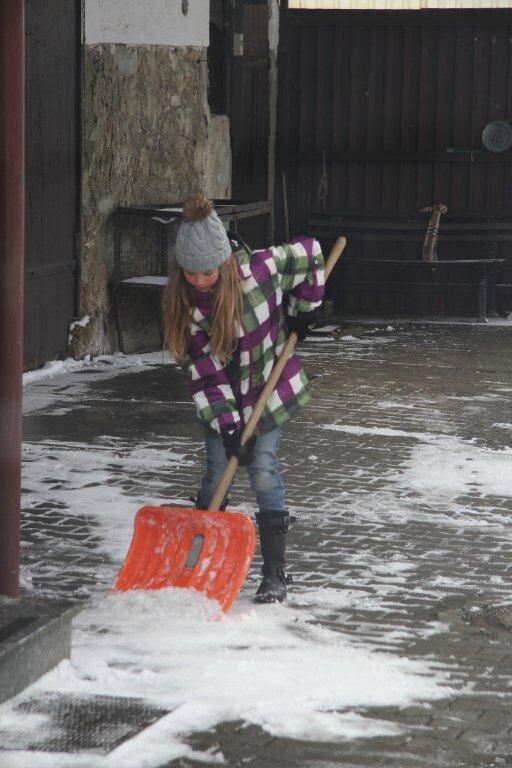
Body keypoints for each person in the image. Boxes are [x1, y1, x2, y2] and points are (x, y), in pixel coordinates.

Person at [163, 193, 325, 603]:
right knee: (217, 472)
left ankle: (274, 573)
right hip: (223, 405)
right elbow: (205, 374)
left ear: (224, 261)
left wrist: (303, 311)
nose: (198, 281)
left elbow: (311, 254)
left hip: (267, 392)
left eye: (207, 273)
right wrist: (231, 427)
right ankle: (196, 561)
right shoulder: (187, 309)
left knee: (264, 469)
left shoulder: (260, 269)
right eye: (190, 274)